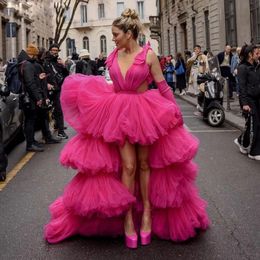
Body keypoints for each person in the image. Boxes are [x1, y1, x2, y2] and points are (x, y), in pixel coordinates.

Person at [44, 8, 209, 248]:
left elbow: (162, 87)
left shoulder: (149, 56)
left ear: (129, 34)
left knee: (144, 164)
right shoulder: (112, 56)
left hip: (145, 114)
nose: (113, 38)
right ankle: (128, 217)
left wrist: (175, 112)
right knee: (128, 166)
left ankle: (147, 214)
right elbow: (108, 83)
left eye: (116, 34)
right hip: (119, 115)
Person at [234, 44, 260, 160]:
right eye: (257, 53)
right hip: (248, 100)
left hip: (257, 99)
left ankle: (241, 141)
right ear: (250, 54)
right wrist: (244, 104)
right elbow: (242, 87)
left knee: (251, 124)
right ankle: (253, 152)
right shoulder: (242, 68)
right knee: (255, 124)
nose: (259, 55)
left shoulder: (257, 65)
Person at [18, 44, 44, 152]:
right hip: (29, 98)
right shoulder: (28, 64)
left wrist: (37, 77)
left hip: (27, 97)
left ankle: (32, 141)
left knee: (30, 120)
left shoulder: (23, 64)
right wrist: (38, 98)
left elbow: (29, 80)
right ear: (32, 54)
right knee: (30, 121)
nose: (36, 57)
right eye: (35, 55)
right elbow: (30, 83)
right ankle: (30, 144)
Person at [43, 44, 69, 139]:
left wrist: (63, 65)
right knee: (46, 111)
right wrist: (46, 84)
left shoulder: (58, 62)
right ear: (50, 50)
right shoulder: (45, 62)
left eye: (56, 50)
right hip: (47, 90)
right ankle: (46, 134)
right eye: (53, 50)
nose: (55, 52)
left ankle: (60, 130)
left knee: (59, 109)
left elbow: (66, 74)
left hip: (57, 89)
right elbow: (41, 75)